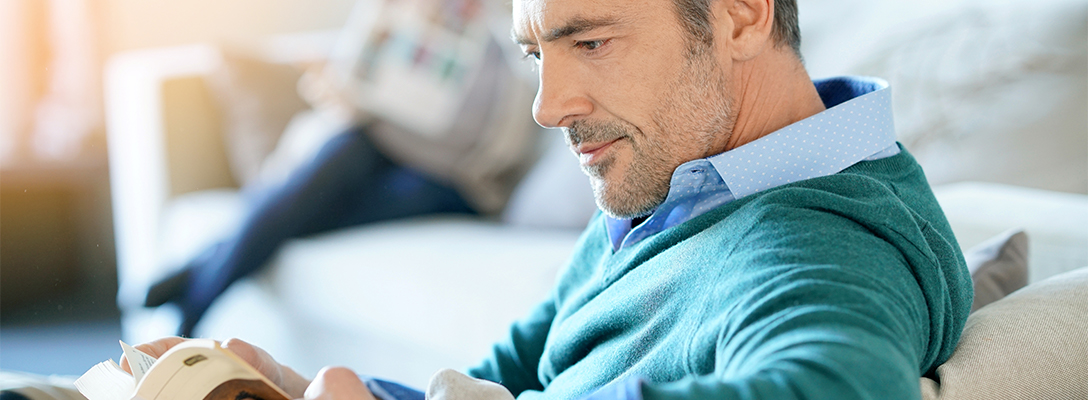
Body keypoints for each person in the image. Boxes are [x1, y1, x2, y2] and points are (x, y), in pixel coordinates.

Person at [131, 0, 973, 399]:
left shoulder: (821, 243)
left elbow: (841, 389)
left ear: (743, 16)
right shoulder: (681, 189)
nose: (546, 106)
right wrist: (304, 387)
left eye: (593, 41)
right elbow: (501, 381)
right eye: (538, 54)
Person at [143, 0, 540, 337]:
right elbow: (354, 92)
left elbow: (506, 143)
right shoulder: (403, 12)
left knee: (320, 205)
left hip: (451, 178)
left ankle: (201, 277)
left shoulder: (516, 28)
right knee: (343, 151)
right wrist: (337, 86)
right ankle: (203, 286)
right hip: (380, 142)